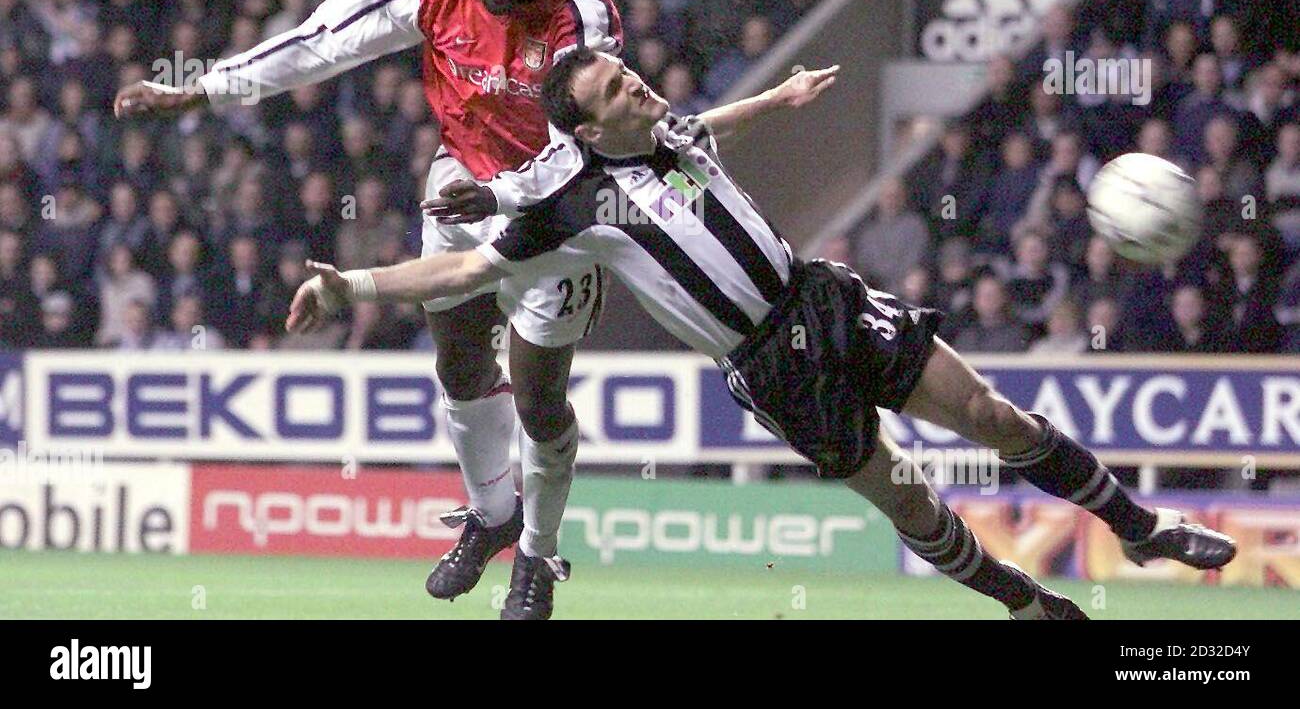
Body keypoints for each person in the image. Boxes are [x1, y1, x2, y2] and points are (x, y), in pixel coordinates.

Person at [288, 50, 1237, 620]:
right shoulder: (574, 203)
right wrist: (353, 286)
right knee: (913, 507)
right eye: (620, 87)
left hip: (822, 298)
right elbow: (463, 270)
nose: (641, 85)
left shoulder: (672, 130)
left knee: (994, 414)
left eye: (630, 74)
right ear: (589, 126)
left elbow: (711, 121)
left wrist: (777, 100)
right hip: (771, 369)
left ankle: (1139, 529)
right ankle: (1025, 601)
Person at [111, 0, 624, 607]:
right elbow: (321, 41)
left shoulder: (581, 12)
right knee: (459, 361)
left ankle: (537, 555)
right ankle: (492, 514)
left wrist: (510, 198)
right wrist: (200, 92)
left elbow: (594, 142)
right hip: (459, 189)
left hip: (552, 212)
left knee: (542, 402)